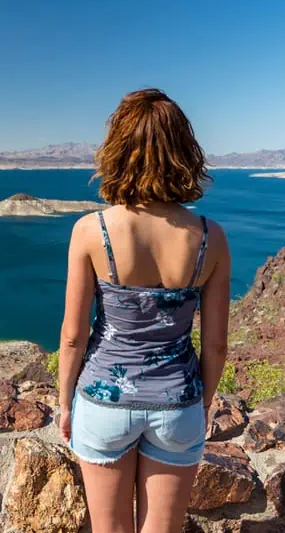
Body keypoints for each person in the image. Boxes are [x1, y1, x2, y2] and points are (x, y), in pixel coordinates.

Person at [58, 88, 231, 533]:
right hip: (178, 401)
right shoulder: (210, 237)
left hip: (103, 401)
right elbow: (216, 345)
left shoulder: (92, 230)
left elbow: (74, 336)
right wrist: (201, 404)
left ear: (117, 150)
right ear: (183, 152)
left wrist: (64, 403)